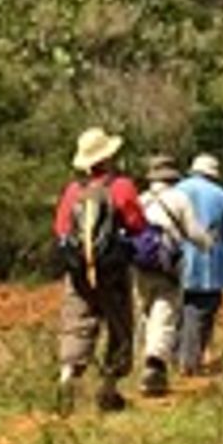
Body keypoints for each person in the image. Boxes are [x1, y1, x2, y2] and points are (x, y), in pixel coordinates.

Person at [50, 128, 151, 414]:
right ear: (108, 157)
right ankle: (108, 389)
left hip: (79, 271)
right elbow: (137, 226)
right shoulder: (121, 187)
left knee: (77, 321)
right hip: (113, 271)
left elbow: (60, 229)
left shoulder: (73, 191)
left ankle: (67, 377)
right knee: (119, 327)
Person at [166, 151, 223, 374]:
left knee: (176, 309)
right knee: (202, 309)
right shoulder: (220, 194)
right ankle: (191, 361)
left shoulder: (176, 190)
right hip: (208, 261)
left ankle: (171, 358)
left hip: (173, 258)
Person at [131, 151, 199, 398]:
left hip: (139, 265)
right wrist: (207, 243)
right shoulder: (179, 198)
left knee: (144, 311)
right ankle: (155, 365)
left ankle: (139, 362)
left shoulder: (141, 199)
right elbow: (194, 232)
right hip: (167, 266)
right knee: (165, 311)